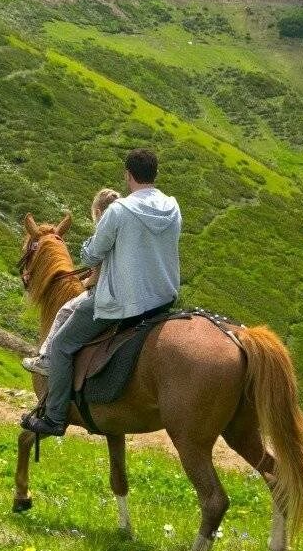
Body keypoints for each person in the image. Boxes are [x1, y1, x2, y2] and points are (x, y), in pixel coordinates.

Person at [21, 149, 182, 437]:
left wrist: (93, 241)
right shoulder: (172, 207)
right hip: (162, 298)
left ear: (128, 175)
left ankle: (55, 417)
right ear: (155, 174)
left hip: (125, 302)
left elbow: (92, 254)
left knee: (60, 345)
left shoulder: (119, 211)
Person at [22, 187, 122, 376]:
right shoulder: (129, 230)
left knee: (63, 320)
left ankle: (49, 370)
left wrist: (87, 282)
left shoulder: (104, 232)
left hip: (108, 297)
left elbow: (97, 266)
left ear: (99, 212)